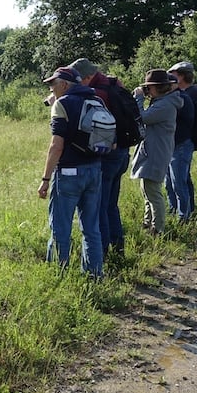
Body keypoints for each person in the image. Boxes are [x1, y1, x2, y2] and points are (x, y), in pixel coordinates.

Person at [38, 66, 103, 278]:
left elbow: (56, 146)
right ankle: (94, 275)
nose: (51, 89)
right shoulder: (97, 101)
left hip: (68, 173)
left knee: (60, 227)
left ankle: (57, 277)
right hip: (94, 171)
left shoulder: (63, 104)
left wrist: (45, 179)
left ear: (64, 84)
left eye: (53, 84)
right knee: (91, 228)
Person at [70, 58, 130, 257]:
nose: (77, 84)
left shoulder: (99, 94)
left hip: (109, 155)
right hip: (122, 152)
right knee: (111, 204)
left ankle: (102, 252)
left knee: (99, 206)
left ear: (88, 76)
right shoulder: (113, 84)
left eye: (78, 80)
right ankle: (118, 246)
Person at [130, 69, 183, 235]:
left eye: (149, 87)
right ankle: (148, 224)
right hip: (153, 150)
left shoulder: (165, 105)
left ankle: (158, 229)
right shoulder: (162, 101)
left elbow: (141, 118)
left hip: (157, 152)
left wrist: (138, 98)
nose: (147, 91)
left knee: (153, 192)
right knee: (146, 189)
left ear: (160, 87)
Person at [168, 61, 197, 216]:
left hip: (184, 142)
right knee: (176, 180)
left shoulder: (194, 92)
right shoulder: (178, 92)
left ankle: (185, 215)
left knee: (180, 181)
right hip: (174, 142)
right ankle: (179, 210)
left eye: (173, 73)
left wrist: (195, 130)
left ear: (181, 76)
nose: (170, 76)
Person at [165, 77, 195, 221]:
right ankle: (173, 211)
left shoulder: (181, 98)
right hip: (170, 146)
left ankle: (184, 217)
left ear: (175, 85)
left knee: (179, 183)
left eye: (167, 84)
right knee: (168, 183)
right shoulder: (170, 98)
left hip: (181, 145)